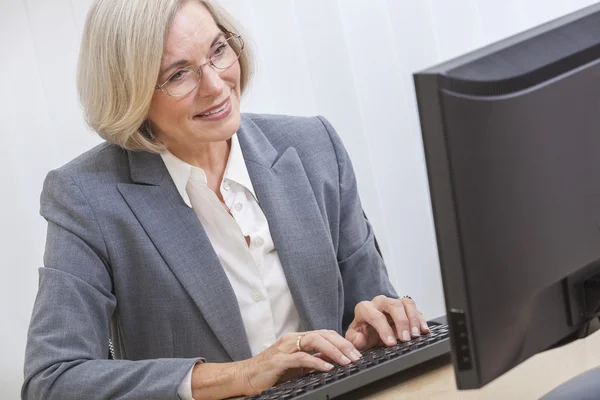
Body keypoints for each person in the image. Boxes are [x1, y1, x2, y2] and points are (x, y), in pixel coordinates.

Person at [22, 1, 430, 399]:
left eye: (218, 50)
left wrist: (377, 328)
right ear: (131, 93)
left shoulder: (314, 147)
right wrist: (242, 376)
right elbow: (53, 380)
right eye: (178, 74)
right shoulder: (86, 197)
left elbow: (369, 306)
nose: (216, 85)